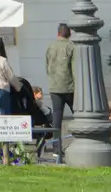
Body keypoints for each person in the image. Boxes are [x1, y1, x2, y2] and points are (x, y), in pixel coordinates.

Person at [45, 24, 76, 159]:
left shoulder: (51, 46)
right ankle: (80, 142)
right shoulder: (71, 46)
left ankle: (56, 148)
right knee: (80, 114)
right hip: (70, 86)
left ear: (58, 33)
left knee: (57, 117)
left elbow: (47, 66)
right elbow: (75, 68)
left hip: (54, 86)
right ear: (69, 33)